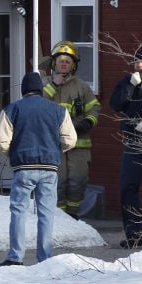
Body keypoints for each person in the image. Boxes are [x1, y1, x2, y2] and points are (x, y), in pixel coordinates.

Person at [0, 72, 77, 267]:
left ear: (23, 90)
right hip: (49, 168)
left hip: (23, 167)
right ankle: (45, 258)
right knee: (46, 213)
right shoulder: (58, 110)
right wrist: (55, 151)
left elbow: (0, 141)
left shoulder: (12, 109)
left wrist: (13, 153)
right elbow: (70, 140)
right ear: (40, 89)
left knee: (18, 211)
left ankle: (15, 257)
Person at [109, 48, 142, 249]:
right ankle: (134, 235)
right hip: (133, 143)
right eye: (136, 61)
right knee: (128, 188)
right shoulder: (126, 82)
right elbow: (116, 105)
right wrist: (129, 87)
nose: (139, 65)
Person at [42, 41, 101, 219]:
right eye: (61, 60)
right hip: (53, 144)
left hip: (78, 144)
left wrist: (88, 122)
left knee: (77, 181)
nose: (64, 63)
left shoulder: (81, 86)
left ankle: (72, 216)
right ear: (54, 63)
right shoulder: (44, 83)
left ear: (73, 65)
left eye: (68, 61)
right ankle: (59, 218)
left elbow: (94, 107)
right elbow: (35, 103)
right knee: (57, 182)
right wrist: (53, 84)